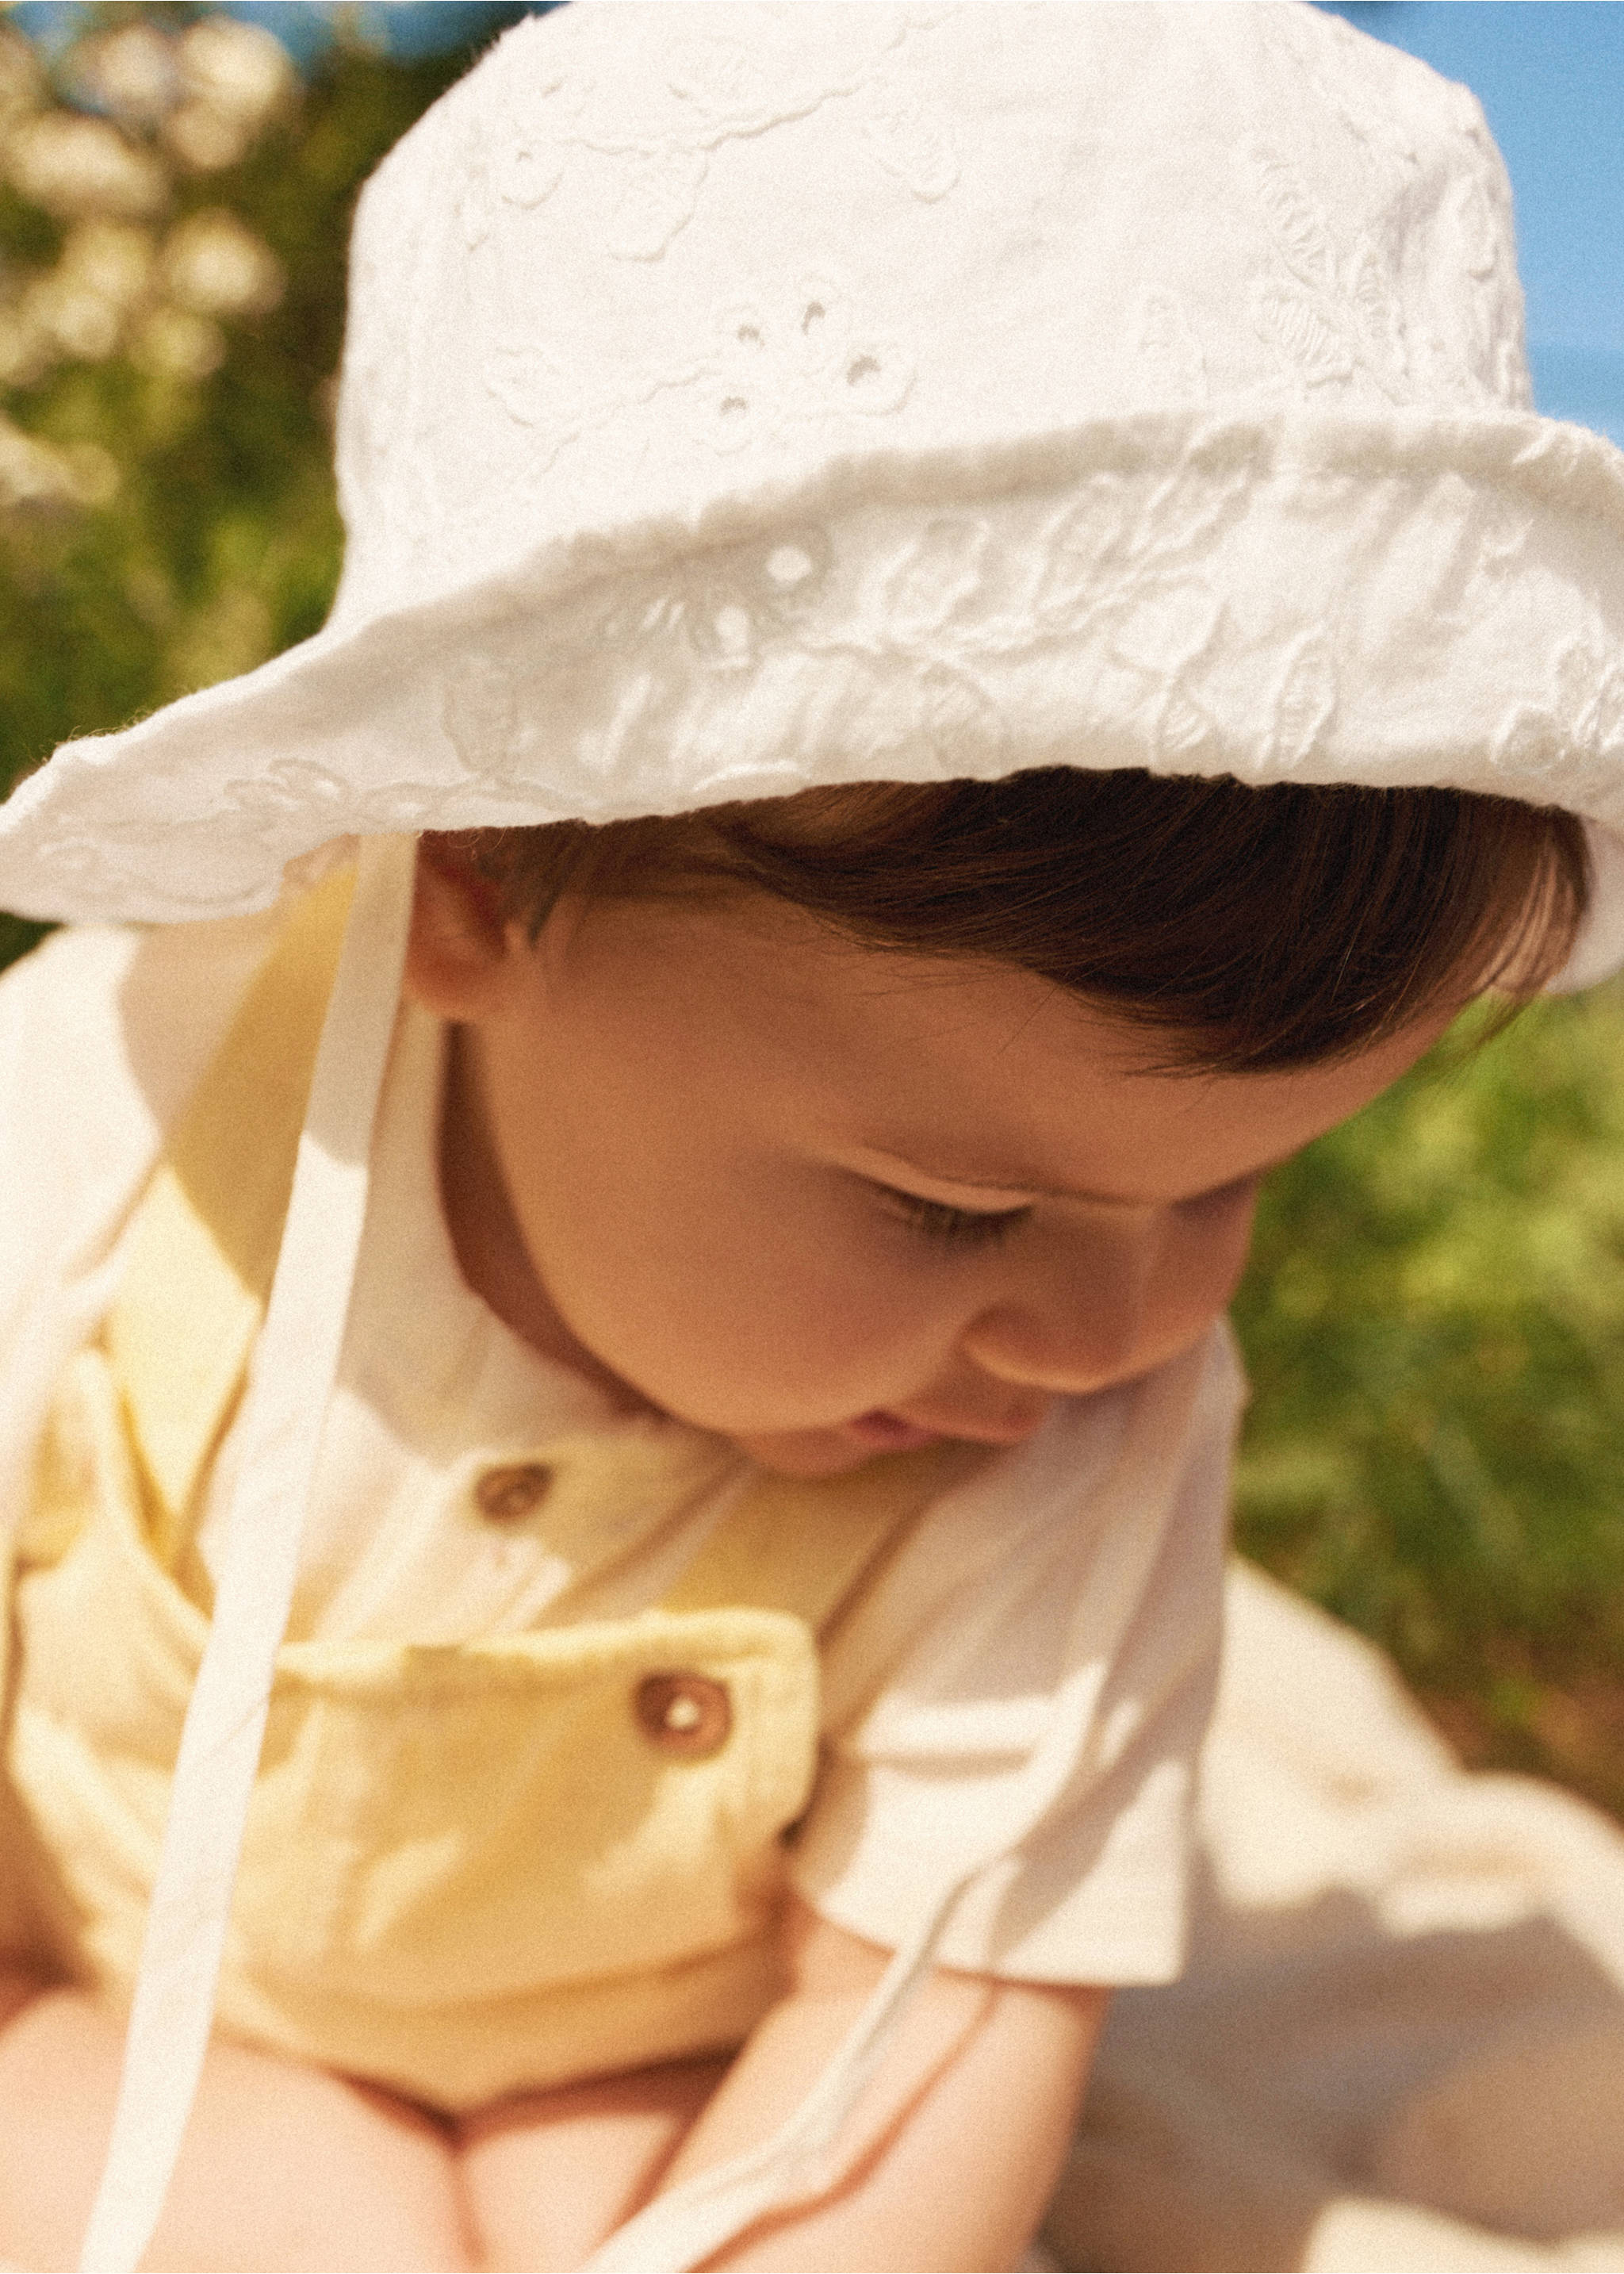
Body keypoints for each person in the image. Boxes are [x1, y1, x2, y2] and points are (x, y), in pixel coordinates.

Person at [0, 6, 1620, 2270]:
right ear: (468, 874)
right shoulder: (118, 1137)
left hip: (695, 2036)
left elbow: (936, 2008)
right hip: (96, 1978)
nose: (1118, 1320)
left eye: (1244, 1181)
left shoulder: (1096, 1397)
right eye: (955, 1201)